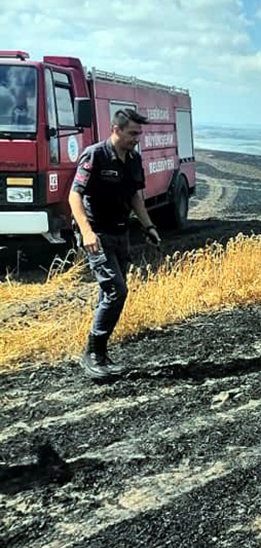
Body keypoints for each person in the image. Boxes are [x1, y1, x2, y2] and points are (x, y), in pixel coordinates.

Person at [69, 108, 161, 380]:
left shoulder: (133, 159)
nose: (137, 139)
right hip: (97, 235)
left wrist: (149, 226)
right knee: (116, 291)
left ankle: (100, 353)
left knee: (109, 293)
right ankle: (93, 354)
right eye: (133, 133)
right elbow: (74, 196)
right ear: (116, 129)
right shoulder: (95, 155)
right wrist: (86, 233)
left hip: (121, 234)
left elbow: (135, 197)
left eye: (139, 134)